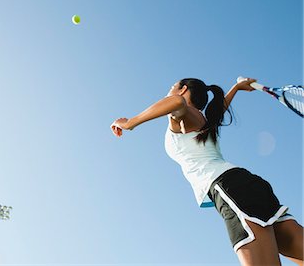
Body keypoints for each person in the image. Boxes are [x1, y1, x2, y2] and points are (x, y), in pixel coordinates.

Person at [110, 78, 303, 266]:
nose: (168, 92)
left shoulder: (183, 116)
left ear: (183, 89)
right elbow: (220, 108)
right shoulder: (204, 122)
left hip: (230, 189)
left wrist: (130, 123)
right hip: (248, 186)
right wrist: (236, 87)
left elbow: (176, 102)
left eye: (172, 87)